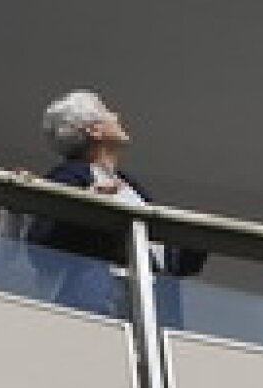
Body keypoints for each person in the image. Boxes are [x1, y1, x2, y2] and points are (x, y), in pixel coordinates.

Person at [27, 90, 204, 321]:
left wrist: (194, 241)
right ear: (94, 130)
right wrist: (85, 204)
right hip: (102, 310)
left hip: (153, 316)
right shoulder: (70, 176)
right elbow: (40, 245)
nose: (117, 115)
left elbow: (166, 261)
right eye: (107, 111)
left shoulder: (132, 187)